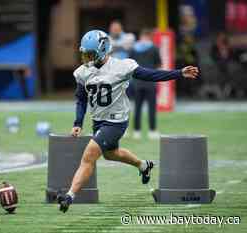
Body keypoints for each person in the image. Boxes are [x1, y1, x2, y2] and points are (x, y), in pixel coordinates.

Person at [57, 30, 199, 213]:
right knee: (110, 153)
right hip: (98, 120)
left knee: (89, 154)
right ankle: (143, 165)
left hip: (116, 121)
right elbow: (81, 99)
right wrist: (78, 123)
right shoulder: (83, 73)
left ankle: (69, 196)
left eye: (90, 54)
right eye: (85, 54)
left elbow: (150, 75)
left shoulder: (121, 66)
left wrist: (179, 73)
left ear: (102, 50)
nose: (87, 58)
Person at [129, 29, 161, 140]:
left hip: (137, 83)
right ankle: (152, 131)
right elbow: (158, 64)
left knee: (137, 108)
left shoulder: (134, 49)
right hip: (151, 83)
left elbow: (129, 64)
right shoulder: (154, 48)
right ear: (149, 37)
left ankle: (137, 131)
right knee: (152, 108)